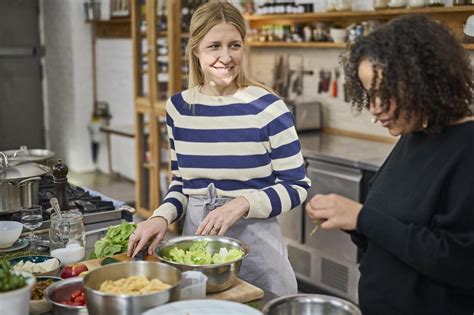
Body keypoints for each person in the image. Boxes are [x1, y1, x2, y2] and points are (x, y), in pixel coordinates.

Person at [127, 1, 311, 296]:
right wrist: (160, 216)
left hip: (259, 253)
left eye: (234, 45)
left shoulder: (270, 109)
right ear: (196, 49)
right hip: (197, 252)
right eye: (214, 46)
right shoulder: (179, 109)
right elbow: (183, 184)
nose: (226, 57)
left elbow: (297, 186)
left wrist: (241, 203)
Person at [305, 15, 474, 315]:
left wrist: (361, 218)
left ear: (422, 82)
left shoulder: (467, 147)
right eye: (368, 94)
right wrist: (347, 219)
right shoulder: (414, 136)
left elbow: (459, 262)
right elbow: (393, 229)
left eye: (385, 92)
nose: (373, 108)